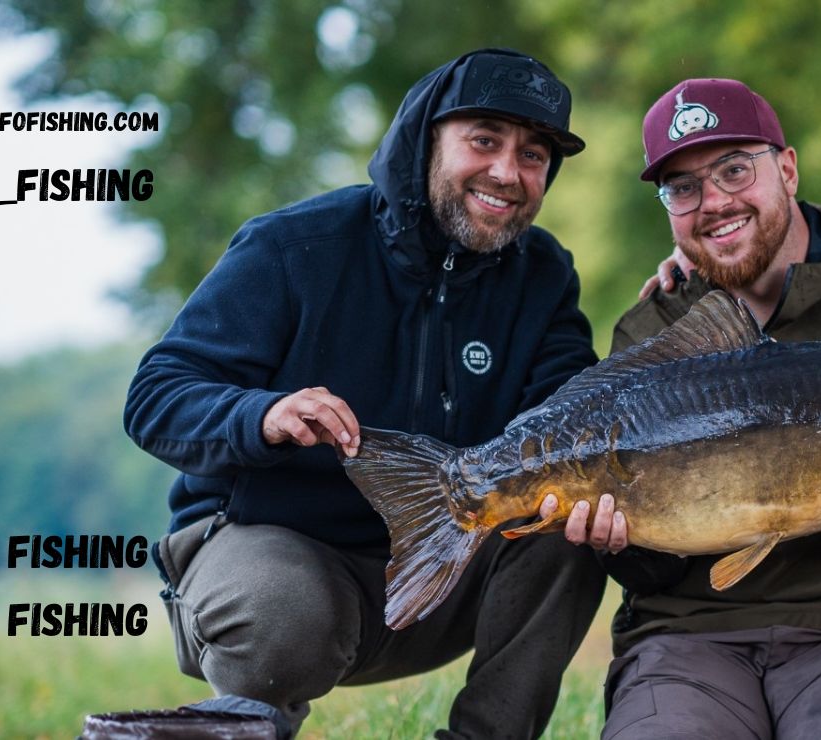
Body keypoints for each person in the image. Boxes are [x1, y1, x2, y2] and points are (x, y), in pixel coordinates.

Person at [123, 49, 603, 739]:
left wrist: (686, 297)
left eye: (534, 155)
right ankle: (245, 726)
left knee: (566, 517)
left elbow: (575, 411)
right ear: (425, 138)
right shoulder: (293, 248)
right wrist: (263, 415)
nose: (507, 172)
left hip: (445, 571)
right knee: (284, 610)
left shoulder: (544, 275)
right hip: (286, 565)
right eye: (484, 140)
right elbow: (156, 396)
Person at [561, 77, 821, 739]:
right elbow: (636, 567)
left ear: (787, 168)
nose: (713, 202)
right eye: (684, 187)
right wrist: (616, 543)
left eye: (734, 170)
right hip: (682, 639)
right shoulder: (651, 331)